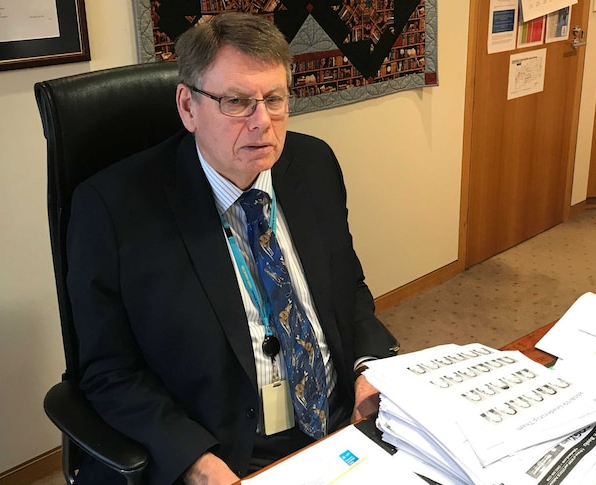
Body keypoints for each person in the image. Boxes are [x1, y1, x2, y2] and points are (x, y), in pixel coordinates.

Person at [67, 12, 396, 485]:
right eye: (237, 102)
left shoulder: (314, 164)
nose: (262, 122)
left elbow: (350, 289)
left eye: (275, 99)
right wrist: (194, 463)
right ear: (187, 107)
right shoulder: (113, 209)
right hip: (224, 452)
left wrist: (369, 367)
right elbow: (107, 372)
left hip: (342, 426)